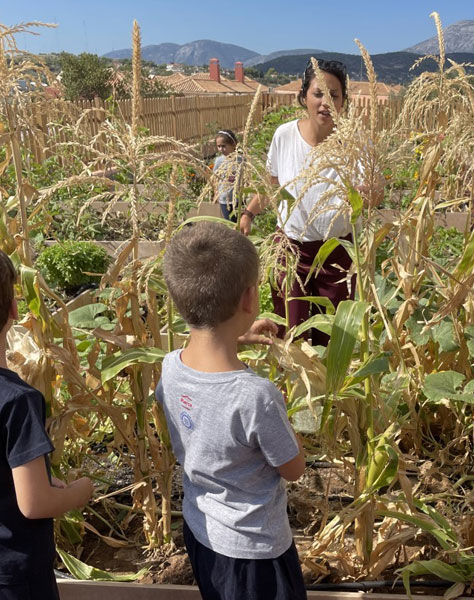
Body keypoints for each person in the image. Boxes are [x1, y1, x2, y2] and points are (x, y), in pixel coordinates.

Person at [157, 222, 307, 600]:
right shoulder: (255, 395)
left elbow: (203, 372)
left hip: (202, 531)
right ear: (250, 299)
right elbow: (293, 469)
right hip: (257, 552)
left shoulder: (170, 365)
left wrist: (235, 335)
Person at [0, 236, 94, 600]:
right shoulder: (16, 400)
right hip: (10, 569)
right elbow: (34, 504)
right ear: (14, 309)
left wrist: (35, 482)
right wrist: (79, 492)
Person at [239, 59, 379, 346]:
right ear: (303, 97)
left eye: (334, 95)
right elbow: (273, 187)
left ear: (344, 102)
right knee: (292, 336)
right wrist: (248, 214)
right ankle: (292, 392)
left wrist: (371, 190)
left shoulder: (356, 142)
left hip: (337, 257)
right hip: (290, 254)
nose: (326, 102)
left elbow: (372, 196)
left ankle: (328, 390)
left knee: (334, 338)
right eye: (319, 94)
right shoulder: (285, 135)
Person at [213, 129, 243, 222]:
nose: (221, 149)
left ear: (233, 145)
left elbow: (245, 177)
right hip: (225, 199)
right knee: (229, 223)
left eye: (224, 146)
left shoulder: (240, 160)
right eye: (219, 146)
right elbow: (215, 178)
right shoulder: (219, 161)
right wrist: (216, 193)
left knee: (239, 223)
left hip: (238, 199)